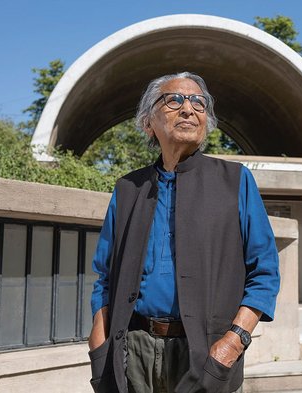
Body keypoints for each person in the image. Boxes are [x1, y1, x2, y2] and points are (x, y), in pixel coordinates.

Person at [87, 72, 280, 393]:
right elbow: (105, 275)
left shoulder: (235, 181)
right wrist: (99, 336)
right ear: (148, 122)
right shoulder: (127, 188)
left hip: (207, 352)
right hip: (131, 349)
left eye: (199, 102)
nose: (188, 109)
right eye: (174, 100)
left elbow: (265, 272)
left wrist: (233, 343)